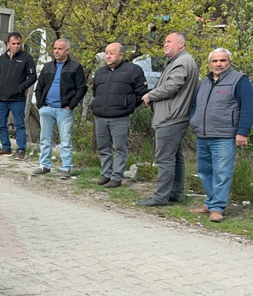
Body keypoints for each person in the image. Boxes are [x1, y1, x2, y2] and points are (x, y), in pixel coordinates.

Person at [187, 48, 253, 222]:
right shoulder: (205, 81)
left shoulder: (239, 80)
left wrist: (242, 132)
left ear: (229, 62)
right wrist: (193, 120)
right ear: (210, 63)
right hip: (203, 135)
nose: (218, 64)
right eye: (215, 61)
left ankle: (217, 208)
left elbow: (248, 107)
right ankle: (210, 203)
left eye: (222, 60)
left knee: (222, 173)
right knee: (204, 171)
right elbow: (195, 104)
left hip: (224, 136)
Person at [137, 32, 199, 206]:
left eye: (169, 41)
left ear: (181, 44)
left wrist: (150, 95)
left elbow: (172, 86)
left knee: (164, 159)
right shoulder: (180, 61)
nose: (165, 44)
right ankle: (175, 193)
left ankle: (160, 197)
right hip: (174, 116)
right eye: (165, 41)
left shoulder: (182, 62)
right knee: (175, 158)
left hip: (171, 117)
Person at [90, 42, 149, 188]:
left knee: (120, 148)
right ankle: (106, 174)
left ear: (121, 55)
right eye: (106, 53)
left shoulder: (133, 70)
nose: (108, 56)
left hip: (120, 117)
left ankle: (117, 177)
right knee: (104, 148)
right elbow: (95, 91)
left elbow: (141, 93)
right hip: (101, 117)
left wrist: (128, 105)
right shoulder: (100, 72)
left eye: (112, 53)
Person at [32, 38, 87, 179]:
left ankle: (66, 168)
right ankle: (44, 165)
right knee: (45, 138)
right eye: (55, 48)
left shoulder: (75, 67)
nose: (56, 51)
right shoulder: (48, 67)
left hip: (64, 110)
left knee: (65, 140)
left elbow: (82, 88)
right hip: (47, 108)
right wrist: (40, 105)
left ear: (68, 51)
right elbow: (39, 87)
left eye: (60, 49)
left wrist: (71, 105)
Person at [0, 32, 37, 160]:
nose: (16, 46)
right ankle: (6, 148)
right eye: (13, 44)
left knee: (19, 125)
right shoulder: (2, 58)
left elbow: (33, 76)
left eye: (18, 44)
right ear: (8, 44)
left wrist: (20, 88)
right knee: (0, 123)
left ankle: (21, 150)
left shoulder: (26, 58)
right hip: (2, 98)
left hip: (17, 99)